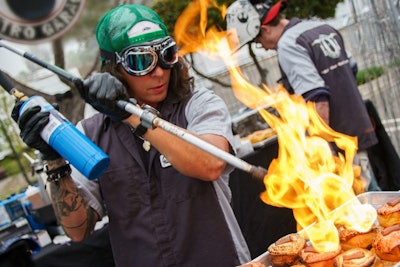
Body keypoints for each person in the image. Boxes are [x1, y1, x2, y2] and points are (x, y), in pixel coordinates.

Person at [12, 4, 251, 266]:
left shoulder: (199, 104)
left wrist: (131, 114)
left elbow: (210, 164)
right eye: (141, 61)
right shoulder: (90, 134)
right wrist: (54, 159)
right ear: (115, 69)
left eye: (166, 55)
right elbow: (79, 231)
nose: (159, 71)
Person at [226, 0, 381, 191]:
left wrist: (322, 148)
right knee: (373, 197)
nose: (263, 47)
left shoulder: (288, 44)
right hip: (357, 126)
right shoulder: (323, 28)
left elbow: (317, 97)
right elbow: (350, 70)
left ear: (265, 29)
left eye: (258, 42)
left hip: (336, 140)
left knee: (362, 207)